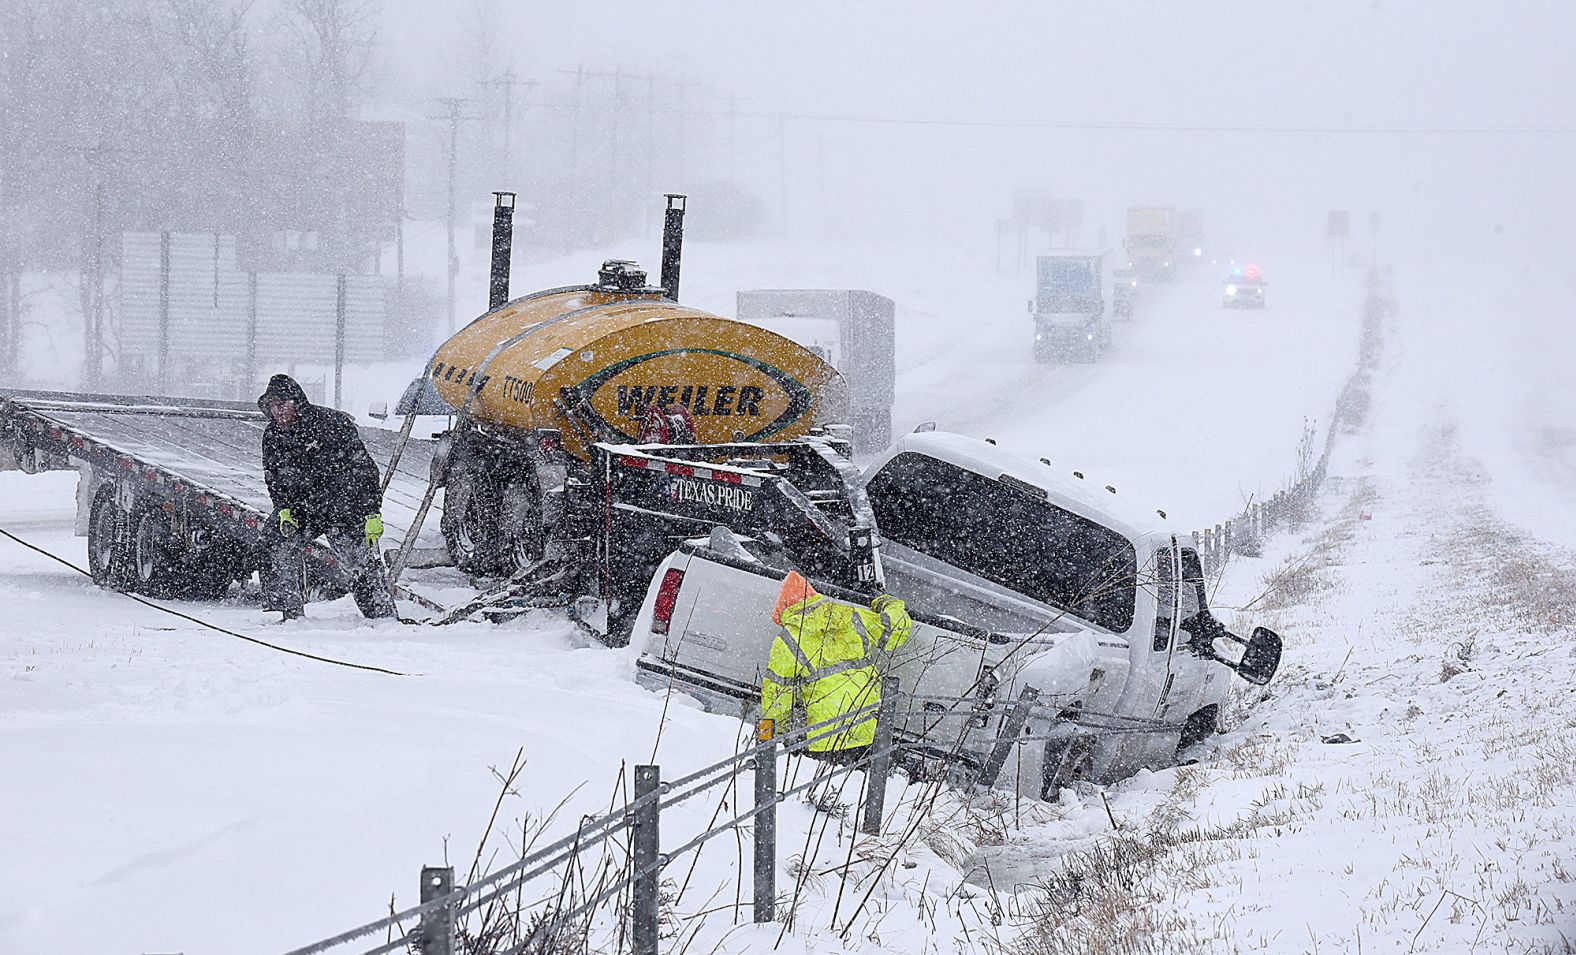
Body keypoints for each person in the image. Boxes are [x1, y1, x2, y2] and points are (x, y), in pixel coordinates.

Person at [256, 374, 395, 621]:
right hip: (304, 510)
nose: (279, 412)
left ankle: (383, 619)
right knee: (272, 545)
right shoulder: (273, 436)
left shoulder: (332, 424)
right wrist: (283, 508)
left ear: (297, 402)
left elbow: (365, 470)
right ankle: (291, 615)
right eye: (273, 406)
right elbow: (273, 476)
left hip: (343, 507)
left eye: (283, 404)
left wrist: (372, 512)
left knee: (360, 567)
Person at [758, 570, 913, 764]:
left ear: (785, 608)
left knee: (832, 784)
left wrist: (772, 735)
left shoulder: (788, 639)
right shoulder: (849, 617)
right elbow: (896, 628)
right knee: (863, 787)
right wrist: (889, 603)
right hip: (865, 727)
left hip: (825, 737)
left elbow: (776, 695)